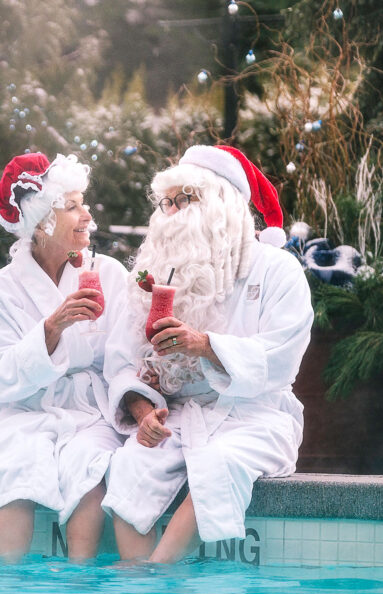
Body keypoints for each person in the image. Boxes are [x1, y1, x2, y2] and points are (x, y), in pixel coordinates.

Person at [101, 145, 313, 564]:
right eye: (168, 202)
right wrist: (144, 412)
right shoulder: (152, 276)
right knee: (130, 466)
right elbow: (122, 361)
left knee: (219, 463)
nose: (175, 212)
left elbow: (283, 356)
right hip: (178, 416)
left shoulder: (277, 270)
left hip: (255, 417)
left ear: (221, 205)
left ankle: (157, 578)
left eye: (187, 199)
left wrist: (203, 345)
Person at [0, 152, 128, 563]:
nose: (87, 215)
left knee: (89, 466)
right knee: (16, 465)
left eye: (85, 203)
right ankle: (10, 592)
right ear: (43, 221)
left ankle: (80, 586)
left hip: (89, 409)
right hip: (22, 409)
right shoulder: (0, 289)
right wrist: (51, 328)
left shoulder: (109, 274)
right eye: (73, 206)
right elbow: (0, 378)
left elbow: (124, 355)